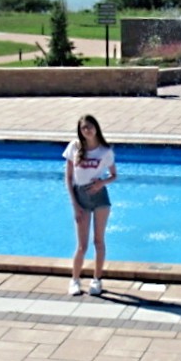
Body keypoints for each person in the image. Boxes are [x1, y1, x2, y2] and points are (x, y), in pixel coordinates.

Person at [63, 114, 116, 296]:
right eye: (83, 127)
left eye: (90, 126)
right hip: (81, 196)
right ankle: (75, 280)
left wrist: (102, 183)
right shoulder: (74, 147)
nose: (87, 130)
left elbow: (114, 175)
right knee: (82, 245)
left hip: (100, 197)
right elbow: (69, 178)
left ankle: (97, 280)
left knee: (99, 241)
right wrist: (75, 204)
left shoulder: (105, 151)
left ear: (96, 127)